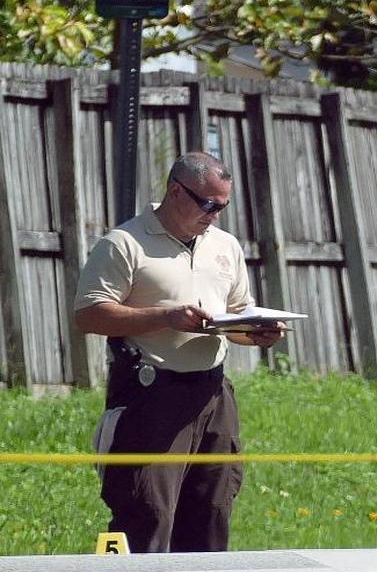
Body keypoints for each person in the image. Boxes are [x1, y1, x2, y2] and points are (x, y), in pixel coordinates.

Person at [75, 152, 285, 552]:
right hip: (151, 394)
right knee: (148, 511)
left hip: (213, 394)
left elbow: (237, 316)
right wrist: (165, 317)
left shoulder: (225, 246)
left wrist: (256, 333)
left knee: (213, 507)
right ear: (175, 191)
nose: (215, 216)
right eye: (208, 204)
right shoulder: (124, 243)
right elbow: (89, 315)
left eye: (222, 207)